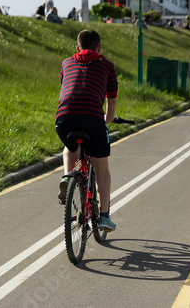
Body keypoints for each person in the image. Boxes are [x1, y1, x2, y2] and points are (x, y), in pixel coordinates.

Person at [55, 29, 118, 231]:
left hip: (64, 117)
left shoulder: (66, 63)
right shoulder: (107, 65)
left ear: (77, 47)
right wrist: (106, 121)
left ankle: (67, 177)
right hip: (92, 117)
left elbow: (65, 89)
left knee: (69, 145)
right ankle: (105, 216)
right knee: (102, 168)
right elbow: (111, 99)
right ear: (99, 47)